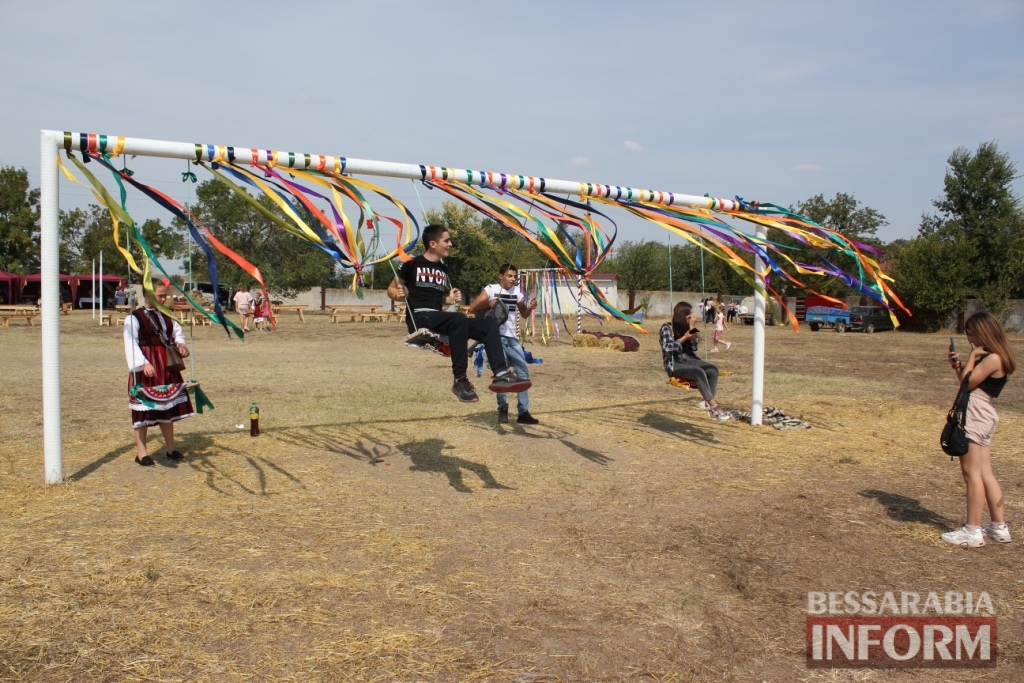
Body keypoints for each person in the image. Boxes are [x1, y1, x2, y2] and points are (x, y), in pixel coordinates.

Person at [387, 224, 531, 403]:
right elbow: (392, 289)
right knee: (459, 319)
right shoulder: (411, 264)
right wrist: (398, 294)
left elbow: (435, 299)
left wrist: (448, 299)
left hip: (437, 316)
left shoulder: (442, 269)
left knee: (488, 325)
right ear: (433, 243)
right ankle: (460, 380)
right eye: (446, 240)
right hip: (420, 317)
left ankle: (500, 373)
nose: (450, 244)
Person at [943, 311, 1017, 547]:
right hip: (983, 411)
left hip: (976, 414)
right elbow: (968, 383)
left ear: (984, 331)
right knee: (985, 473)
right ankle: (998, 527)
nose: (971, 339)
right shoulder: (998, 357)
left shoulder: (993, 358)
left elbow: (967, 383)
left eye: (972, 333)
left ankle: (972, 531)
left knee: (971, 474)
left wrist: (973, 357)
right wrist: (960, 367)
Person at [124, 280, 194, 466]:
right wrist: (142, 364)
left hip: (166, 365)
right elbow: (130, 343)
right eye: (160, 295)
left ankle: (170, 448)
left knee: (167, 406)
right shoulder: (134, 317)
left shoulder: (167, 314)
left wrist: (181, 344)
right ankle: (141, 453)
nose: (164, 298)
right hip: (147, 367)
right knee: (142, 411)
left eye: (165, 295)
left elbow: (176, 332)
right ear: (148, 295)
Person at [468, 263, 539, 424]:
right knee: (502, 375)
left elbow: (524, 314)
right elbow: (472, 308)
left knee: (523, 374)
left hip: (512, 339)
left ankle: (523, 412)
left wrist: (531, 308)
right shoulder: (491, 289)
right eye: (509, 276)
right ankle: (503, 409)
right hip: (495, 338)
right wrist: (488, 304)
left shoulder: (517, 293)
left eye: (515, 276)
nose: (513, 279)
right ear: (501, 276)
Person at [660, 301, 728, 421]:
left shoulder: (688, 327)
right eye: (689, 314)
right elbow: (667, 348)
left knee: (712, 370)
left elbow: (694, 347)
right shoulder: (667, 328)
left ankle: (707, 403)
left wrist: (692, 328)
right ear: (682, 315)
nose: (692, 316)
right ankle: (714, 407)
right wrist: (684, 337)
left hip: (689, 358)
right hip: (675, 362)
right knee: (698, 372)